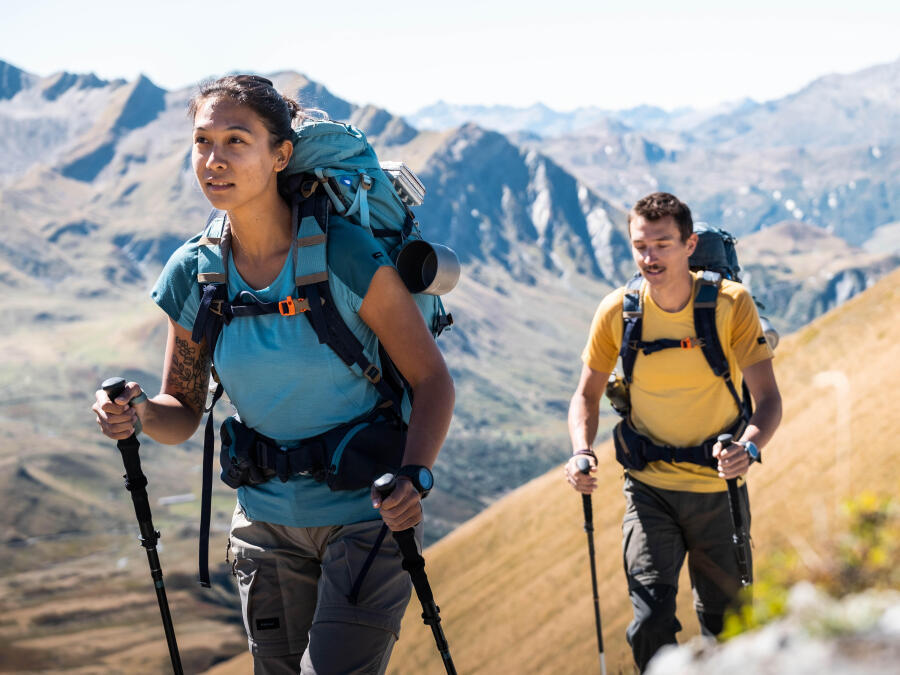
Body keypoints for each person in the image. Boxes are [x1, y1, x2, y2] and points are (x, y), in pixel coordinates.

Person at [92, 75, 454, 674]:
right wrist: (135, 412)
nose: (214, 159)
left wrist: (415, 475)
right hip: (263, 529)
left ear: (280, 154)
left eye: (237, 140)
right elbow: (181, 412)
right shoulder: (196, 274)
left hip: (365, 520)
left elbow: (431, 380)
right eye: (203, 141)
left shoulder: (344, 255)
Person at [564, 192, 782, 672]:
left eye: (662, 244)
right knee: (649, 622)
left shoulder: (731, 306)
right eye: (640, 246)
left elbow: (768, 400)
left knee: (728, 628)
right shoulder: (617, 311)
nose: (649, 257)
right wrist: (582, 451)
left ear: (689, 245)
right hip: (648, 491)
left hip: (718, 491)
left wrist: (749, 448)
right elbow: (585, 395)